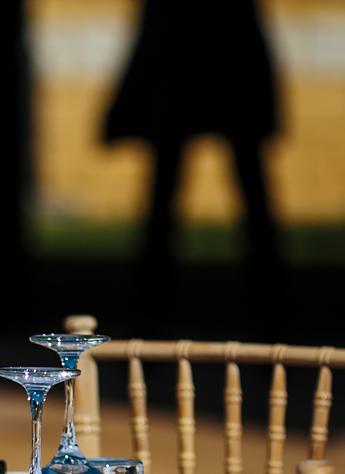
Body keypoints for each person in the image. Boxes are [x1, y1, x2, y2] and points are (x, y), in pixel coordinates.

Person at [104, 0, 282, 307]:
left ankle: (152, 300)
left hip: (195, 62)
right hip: (216, 61)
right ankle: (269, 298)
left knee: (169, 184)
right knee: (235, 180)